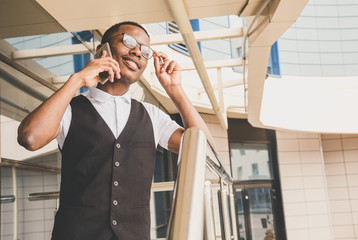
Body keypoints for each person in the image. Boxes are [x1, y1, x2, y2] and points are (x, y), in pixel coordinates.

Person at [17, 21, 214, 240]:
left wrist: (175, 90)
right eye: (128, 41)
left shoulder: (151, 115)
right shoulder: (70, 110)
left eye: (145, 51)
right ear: (104, 49)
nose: (137, 52)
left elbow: (202, 147)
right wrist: (77, 80)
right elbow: (30, 137)